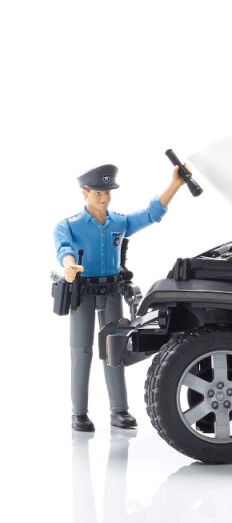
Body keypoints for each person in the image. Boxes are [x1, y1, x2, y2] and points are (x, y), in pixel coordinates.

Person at [54, 163, 190, 432]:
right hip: (82, 292)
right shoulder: (69, 225)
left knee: (113, 350)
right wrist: (69, 266)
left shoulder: (118, 222)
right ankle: (79, 413)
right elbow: (64, 249)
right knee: (81, 352)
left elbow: (151, 214)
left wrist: (175, 184)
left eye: (107, 193)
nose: (104, 198)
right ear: (85, 193)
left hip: (112, 291)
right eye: (98, 193)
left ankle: (119, 410)